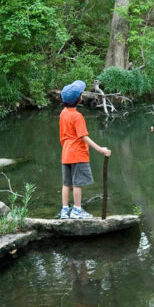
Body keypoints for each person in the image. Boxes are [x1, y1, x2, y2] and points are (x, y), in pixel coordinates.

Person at [59, 80, 111, 219]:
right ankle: (77, 210)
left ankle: (64, 210)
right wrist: (101, 149)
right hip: (78, 154)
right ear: (79, 99)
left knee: (66, 183)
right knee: (77, 184)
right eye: (81, 94)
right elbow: (83, 137)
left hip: (66, 153)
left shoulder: (63, 113)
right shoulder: (77, 116)